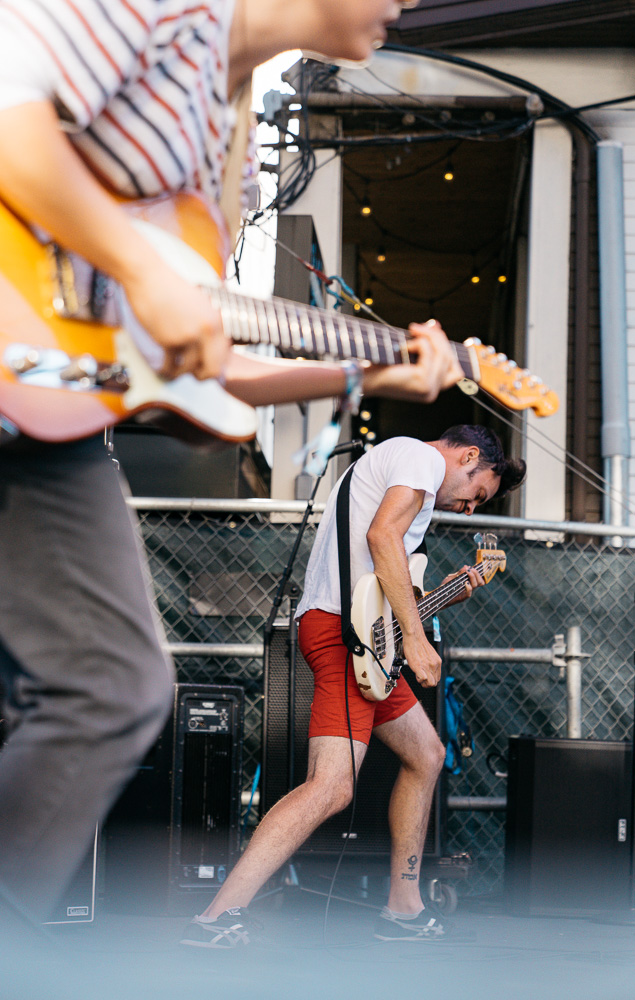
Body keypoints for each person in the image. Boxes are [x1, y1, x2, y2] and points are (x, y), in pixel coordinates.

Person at [0, 0, 467, 932]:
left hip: (51, 422)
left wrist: (368, 372)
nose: (407, 5)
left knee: (118, 687)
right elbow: (11, 118)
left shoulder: (227, 139)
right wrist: (141, 269)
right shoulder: (162, 8)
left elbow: (204, 365)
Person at [180, 425, 526, 948]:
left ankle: (404, 908)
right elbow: (381, 538)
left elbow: (387, 581)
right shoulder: (420, 459)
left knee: (427, 755)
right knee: (331, 786)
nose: (470, 509)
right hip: (345, 635)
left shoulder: (405, 470)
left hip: (364, 638)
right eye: (476, 493)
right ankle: (216, 916)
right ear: (469, 456)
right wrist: (415, 639)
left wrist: (442, 595)